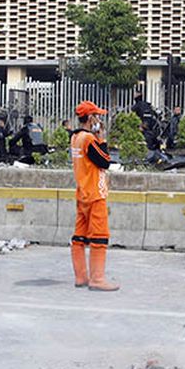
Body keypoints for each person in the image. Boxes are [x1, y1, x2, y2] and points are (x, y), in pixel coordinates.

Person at [69, 100, 118, 291]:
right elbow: (105, 161)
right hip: (95, 194)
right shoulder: (89, 139)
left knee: (79, 236)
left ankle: (81, 277)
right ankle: (97, 279)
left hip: (82, 193)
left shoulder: (75, 138)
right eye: (97, 116)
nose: (99, 119)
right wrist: (103, 139)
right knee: (99, 236)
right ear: (90, 118)